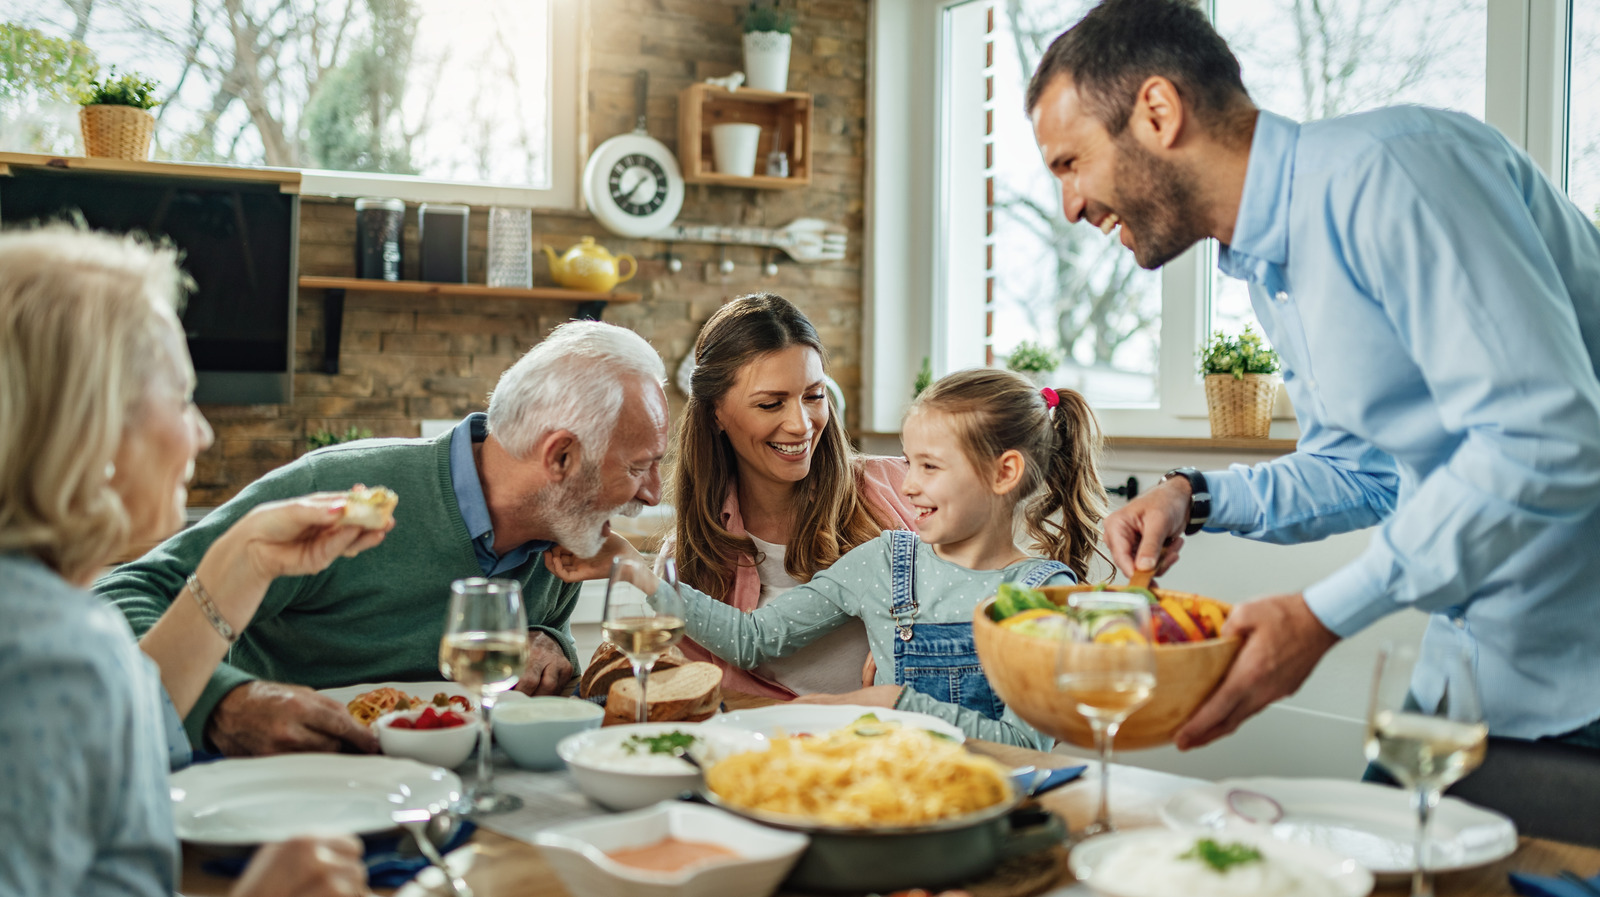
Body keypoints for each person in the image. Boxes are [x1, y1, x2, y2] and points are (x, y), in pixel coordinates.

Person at [1028, 0, 1600, 750]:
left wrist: (1322, 615)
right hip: (1476, 675)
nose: (1069, 206)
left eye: (1070, 163)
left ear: (1158, 113)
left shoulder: (1396, 173)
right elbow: (1366, 472)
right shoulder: (1273, 266)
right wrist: (1192, 496)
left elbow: (1547, 437)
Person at [0, 225, 379, 895]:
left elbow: (128, 732)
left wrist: (246, 558)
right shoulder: (50, 653)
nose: (201, 430)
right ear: (92, 426)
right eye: (181, 397)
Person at [98, 319, 670, 756]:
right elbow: (120, 598)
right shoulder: (339, 489)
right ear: (561, 456)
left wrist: (552, 645)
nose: (651, 494)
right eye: (641, 466)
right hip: (288, 791)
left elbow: (542, 659)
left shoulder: (566, 533)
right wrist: (222, 702)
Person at [551, 368, 1107, 748]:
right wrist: (634, 570)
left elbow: (1027, 744)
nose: (908, 487)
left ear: (1004, 472)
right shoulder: (888, 561)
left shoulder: (1041, 594)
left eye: (930, 468)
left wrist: (894, 702)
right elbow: (753, 639)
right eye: (908, 463)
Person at [661, 293, 917, 699]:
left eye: (814, 396)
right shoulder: (688, 561)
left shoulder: (903, 489)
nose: (801, 424)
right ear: (715, 414)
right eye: (770, 404)